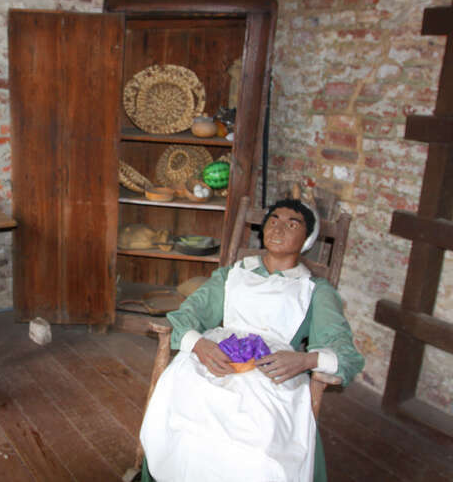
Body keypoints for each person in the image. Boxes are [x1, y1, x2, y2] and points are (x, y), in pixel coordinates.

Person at [139, 198, 364, 482]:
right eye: (273, 220)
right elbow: (189, 314)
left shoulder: (313, 290)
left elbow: (344, 352)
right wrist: (199, 344)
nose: (278, 229)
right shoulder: (233, 275)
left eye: (292, 224)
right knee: (185, 418)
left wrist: (305, 360)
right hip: (215, 355)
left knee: (253, 448)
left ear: (306, 239)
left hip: (271, 370)